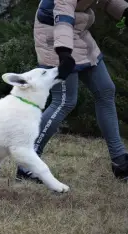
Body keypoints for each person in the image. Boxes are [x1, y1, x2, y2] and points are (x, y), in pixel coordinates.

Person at [16, 0, 128, 183]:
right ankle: (27, 164)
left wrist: (124, 11)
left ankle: (120, 161)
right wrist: (64, 53)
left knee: (105, 90)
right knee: (65, 100)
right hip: (55, 34)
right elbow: (62, 15)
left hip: (78, 31)